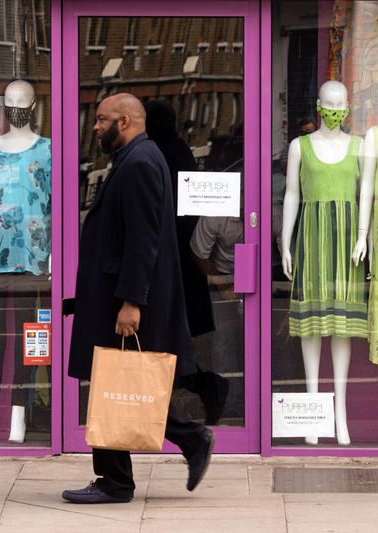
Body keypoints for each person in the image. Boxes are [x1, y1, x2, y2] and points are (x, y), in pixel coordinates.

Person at [62, 93, 214, 504]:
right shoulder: (134, 158)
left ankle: (119, 480)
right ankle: (185, 443)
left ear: (124, 120)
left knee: (116, 382)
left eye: (100, 119)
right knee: (119, 383)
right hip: (112, 296)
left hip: (122, 301)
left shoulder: (141, 162)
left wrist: (132, 300)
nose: (94, 127)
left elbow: (144, 240)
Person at [144, 98, 229, 425]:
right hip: (185, 251)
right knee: (188, 327)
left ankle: (181, 398)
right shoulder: (179, 149)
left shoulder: (155, 152)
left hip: (167, 252)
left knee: (163, 328)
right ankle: (201, 393)